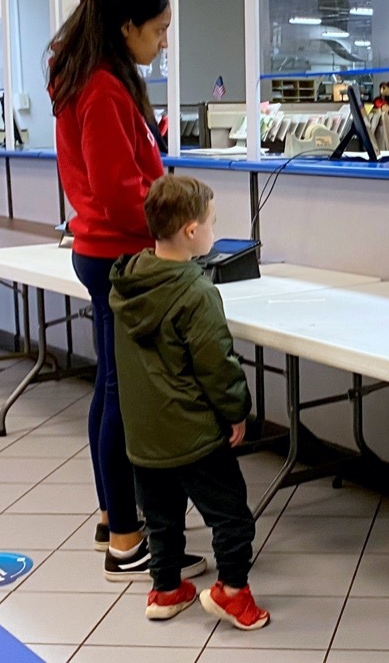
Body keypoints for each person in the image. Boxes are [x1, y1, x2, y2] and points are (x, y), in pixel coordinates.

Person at [47, 0, 205, 581]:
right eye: (159, 30)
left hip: (102, 252)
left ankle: (115, 515)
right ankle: (124, 537)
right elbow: (119, 196)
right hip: (120, 255)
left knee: (110, 386)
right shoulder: (104, 89)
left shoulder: (87, 77)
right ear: (127, 27)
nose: (163, 42)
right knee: (120, 395)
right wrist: (177, 222)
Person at [109, 175, 269, 629]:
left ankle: (165, 589)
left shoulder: (127, 283)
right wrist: (236, 412)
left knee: (161, 518)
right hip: (192, 433)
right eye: (213, 223)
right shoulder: (196, 293)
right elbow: (217, 366)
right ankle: (233, 593)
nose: (216, 232)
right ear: (191, 232)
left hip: (143, 435)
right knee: (231, 515)